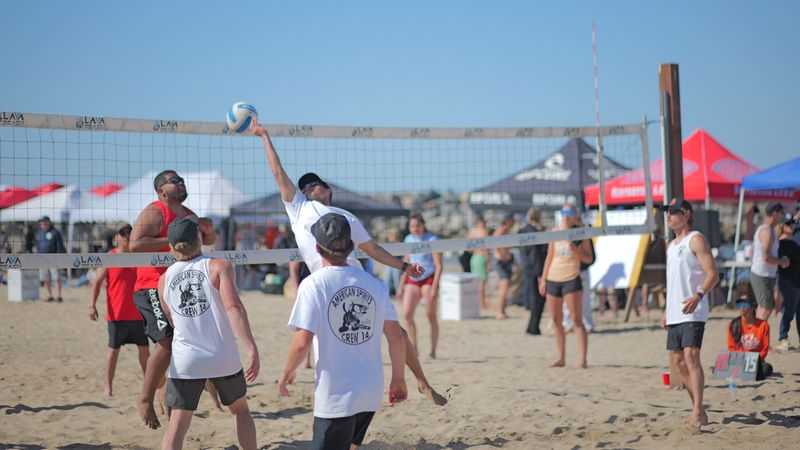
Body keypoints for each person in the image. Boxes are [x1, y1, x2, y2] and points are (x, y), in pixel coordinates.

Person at [252, 119, 447, 406]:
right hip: (323, 277)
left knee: (396, 332)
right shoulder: (299, 207)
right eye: (305, 186)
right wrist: (264, 137)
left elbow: (373, 249)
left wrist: (403, 267)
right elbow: (278, 171)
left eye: (313, 185)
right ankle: (324, 393)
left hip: (352, 275)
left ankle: (421, 382)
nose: (308, 188)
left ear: (327, 190)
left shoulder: (345, 218)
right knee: (320, 339)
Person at [278, 213, 407, 450]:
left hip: (336, 393)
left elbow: (301, 342)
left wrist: (287, 372)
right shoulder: (376, 285)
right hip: (370, 390)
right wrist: (398, 379)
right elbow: (396, 338)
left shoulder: (313, 284)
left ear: (317, 248)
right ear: (351, 246)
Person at [157, 218, 259, 450]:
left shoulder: (163, 280)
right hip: (221, 355)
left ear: (171, 248)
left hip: (186, 359)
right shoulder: (219, 266)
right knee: (240, 411)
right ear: (199, 238)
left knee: (177, 424)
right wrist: (251, 346)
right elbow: (234, 308)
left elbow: (172, 319)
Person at [129, 170, 216, 428]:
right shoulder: (156, 211)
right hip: (151, 285)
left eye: (181, 180)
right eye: (174, 181)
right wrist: (174, 238)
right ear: (161, 190)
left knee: (181, 342)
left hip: (179, 285)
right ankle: (145, 398)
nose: (180, 183)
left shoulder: (190, 215)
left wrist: (208, 233)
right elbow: (135, 244)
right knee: (166, 342)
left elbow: (205, 243)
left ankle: (163, 391)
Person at [659, 197, 718, 428]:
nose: (668, 216)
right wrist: (666, 310)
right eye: (667, 212)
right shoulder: (671, 246)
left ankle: (696, 411)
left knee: (691, 357)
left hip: (694, 309)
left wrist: (699, 295)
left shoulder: (696, 239)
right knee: (678, 362)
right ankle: (699, 410)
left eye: (673, 212)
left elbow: (712, 274)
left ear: (686, 215)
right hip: (675, 312)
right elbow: (672, 282)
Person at [88, 224, 150, 397]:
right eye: (123, 233)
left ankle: (148, 386)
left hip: (139, 314)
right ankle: (108, 387)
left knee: (144, 351)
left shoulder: (140, 256)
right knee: (113, 351)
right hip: (117, 314)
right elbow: (97, 283)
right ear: (116, 237)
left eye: (129, 232)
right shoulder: (110, 257)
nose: (127, 236)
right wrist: (92, 304)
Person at [540, 204, 593, 368]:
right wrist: (543, 279)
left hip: (571, 278)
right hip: (553, 279)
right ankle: (561, 358)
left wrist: (576, 252)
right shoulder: (555, 232)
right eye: (563, 212)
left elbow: (589, 259)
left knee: (577, 320)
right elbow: (549, 257)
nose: (566, 215)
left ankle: (582, 360)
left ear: (575, 215)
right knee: (556, 320)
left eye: (569, 212)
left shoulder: (580, 234)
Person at [398, 213, 443, 359]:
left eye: (417, 225)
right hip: (413, 279)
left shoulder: (432, 239)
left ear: (423, 225)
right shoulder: (408, 239)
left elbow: (439, 265)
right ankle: (414, 349)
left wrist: (435, 286)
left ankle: (433, 351)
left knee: (431, 315)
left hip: (428, 278)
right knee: (407, 314)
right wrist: (400, 286)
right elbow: (406, 264)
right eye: (412, 226)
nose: (415, 228)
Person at [750, 202, 790, 321]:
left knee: (765, 308)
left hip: (765, 274)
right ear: (774, 213)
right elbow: (766, 257)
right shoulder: (766, 231)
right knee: (765, 308)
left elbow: (752, 252)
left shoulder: (770, 230)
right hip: (761, 274)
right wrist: (783, 262)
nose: (783, 215)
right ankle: (755, 337)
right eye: (781, 212)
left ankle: (756, 336)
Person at [727, 293, 773, 380]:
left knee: (767, 368)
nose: (742, 307)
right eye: (739, 304)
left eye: (745, 304)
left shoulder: (764, 325)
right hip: (739, 360)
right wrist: (743, 359)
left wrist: (754, 359)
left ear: (753, 307)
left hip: (756, 361)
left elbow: (764, 349)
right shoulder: (733, 325)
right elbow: (732, 348)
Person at [519, 208, 547, 335]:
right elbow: (535, 255)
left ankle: (532, 327)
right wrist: (540, 274)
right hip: (535, 269)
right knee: (538, 299)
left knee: (534, 299)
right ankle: (533, 327)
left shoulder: (523, 230)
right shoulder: (535, 232)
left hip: (527, 268)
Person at [776, 214, 800, 351]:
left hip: (797, 280)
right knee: (789, 310)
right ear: (783, 227)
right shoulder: (780, 244)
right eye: (788, 224)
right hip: (788, 281)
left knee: (798, 311)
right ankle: (782, 337)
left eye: (792, 223)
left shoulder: (794, 242)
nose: (792, 226)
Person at [36, 216, 66, 303]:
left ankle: (58, 296)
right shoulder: (40, 233)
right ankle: (49, 295)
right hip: (42, 258)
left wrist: (60, 258)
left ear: (48, 222)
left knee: (56, 277)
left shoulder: (55, 232)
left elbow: (60, 246)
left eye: (43, 222)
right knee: (45, 278)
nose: (42, 224)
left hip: (54, 258)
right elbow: (38, 246)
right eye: (41, 222)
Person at [492, 214, 516, 320]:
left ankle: (502, 310)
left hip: (505, 260)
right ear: (508, 221)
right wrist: (502, 255)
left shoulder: (506, 230)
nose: (514, 222)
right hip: (500, 261)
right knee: (504, 286)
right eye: (512, 220)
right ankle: (499, 311)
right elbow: (494, 243)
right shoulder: (501, 230)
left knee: (506, 286)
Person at [468, 216, 491, 310]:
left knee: (476, 283)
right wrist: (488, 262)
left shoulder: (472, 232)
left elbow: (468, 249)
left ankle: (478, 303)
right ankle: (482, 304)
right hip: (481, 257)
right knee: (481, 283)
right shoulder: (484, 231)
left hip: (474, 257)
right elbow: (485, 249)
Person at [381, 228, 403, 296]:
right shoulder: (388, 243)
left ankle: (399, 294)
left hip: (397, 264)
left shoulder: (400, 243)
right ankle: (387, 295)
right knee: (386, 280)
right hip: (389, 264)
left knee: (397, 280)